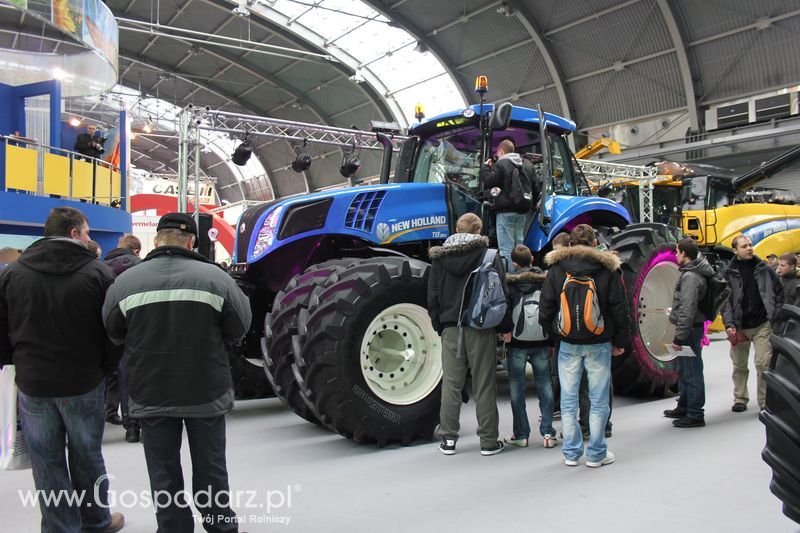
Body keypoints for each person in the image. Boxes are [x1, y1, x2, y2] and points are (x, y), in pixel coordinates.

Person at [103, 213, 251, 533]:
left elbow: (114, 332)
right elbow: (239, 327)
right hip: (205, 390)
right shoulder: (217, 279)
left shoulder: (125, 283)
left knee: (163, 472)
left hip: (150, 391)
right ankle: (221, 527)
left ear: (156, 241)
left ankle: (173, 528)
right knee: (211, 471)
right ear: (191, 241)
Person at [0, 207, 124, 532]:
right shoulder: (99, 274)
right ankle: (96, 520)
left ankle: (60, 526)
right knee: (86, 455)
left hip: (34, 383)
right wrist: (105, 368)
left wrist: (17, 364)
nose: (89, 238)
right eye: (86, 233)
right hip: (84, 381)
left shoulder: (12, 274)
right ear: (73, 234)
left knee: (47, 459)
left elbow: (2, 328)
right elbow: (113, 332)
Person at [539, 224, 630, 468]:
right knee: (598, 401)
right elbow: (619, 308)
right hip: (599, 342)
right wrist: (620, 341)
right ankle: (597, 454)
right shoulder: (607, 269)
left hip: (567, 342)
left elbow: (546, 305)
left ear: (570, 244)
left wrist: (552, 336)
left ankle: (570, 453)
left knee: (568, 402)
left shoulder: (557, 269)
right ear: (593, 243)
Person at [428, 212, 511, 456]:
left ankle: (448, 440)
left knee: (451, 385)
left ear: (456, 229)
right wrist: (504, 328)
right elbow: (500, 294)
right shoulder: (488, 255)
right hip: (481, 328)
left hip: (451, 329)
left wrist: (440, 326)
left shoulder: (439, 259)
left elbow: (432, 296)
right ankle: (488, 442)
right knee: (484, 385)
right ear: (478, 231)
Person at [502, 244, 557, 449]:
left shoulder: (510, 283)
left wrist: (506, 332)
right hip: (541, 342)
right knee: (545, 386)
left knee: (517, 389)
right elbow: (550, 310)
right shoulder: (544, 281)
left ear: (514, 264)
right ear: (533, 259)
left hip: (516, 343)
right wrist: (551, 340)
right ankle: (548, 433)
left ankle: (521, 434)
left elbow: (505, 309)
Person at [721, 235, 783, 412]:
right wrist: (729, 324)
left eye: (750, 245)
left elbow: (779, 291)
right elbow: (725, 302)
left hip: (763, 324)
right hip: (739, 327)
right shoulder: (728, 273)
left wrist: (775, 314)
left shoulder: (764, 269)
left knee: (763, 363)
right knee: (739, 365)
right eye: (744, 246)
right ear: (735, 250)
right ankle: (740, 399)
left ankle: (765, 402)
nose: (749, 248)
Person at [663, 238, 715, 428]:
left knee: (692, 372)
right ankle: (684, 405)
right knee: (685, 369)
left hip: (689, 330)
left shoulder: (691, 277)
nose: (676, 255)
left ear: (684, 254)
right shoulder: (692, 273)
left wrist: (679, 337)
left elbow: (687, 308)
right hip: (691, 328)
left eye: (677, 252)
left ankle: (695, 414)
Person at [103, 234, 144, 443]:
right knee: (136, 376)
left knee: (116, 376)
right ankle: (136, 426)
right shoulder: (141, 267)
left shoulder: (101, 267)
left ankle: (119, 418)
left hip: (109, 330)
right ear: (136, 250)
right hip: (136, 329)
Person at [480, 139, 532, 271]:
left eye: (498, 155)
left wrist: (485, 168)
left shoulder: (502, 163)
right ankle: (522, 276)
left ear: (501, 151)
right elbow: (534, 186)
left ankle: (509, 281)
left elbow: (489, 182)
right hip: (521, 211)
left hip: (505, 211)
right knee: (519, 247)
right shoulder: (525, 164)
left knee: (506, 250)